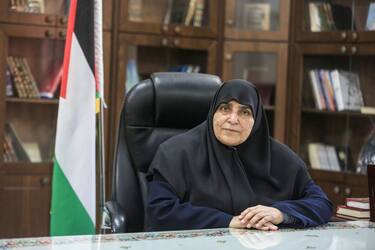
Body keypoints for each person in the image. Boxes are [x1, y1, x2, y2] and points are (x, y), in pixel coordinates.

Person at [146, 79, 333, 231]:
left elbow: (322, 204)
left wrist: (281, 214)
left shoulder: (281, 158)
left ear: (257, 119)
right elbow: (160, 211)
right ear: (213, 113)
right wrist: (228, 221)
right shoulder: (175, 153)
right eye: (225, 108)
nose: (233, 119)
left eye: (244, 112)